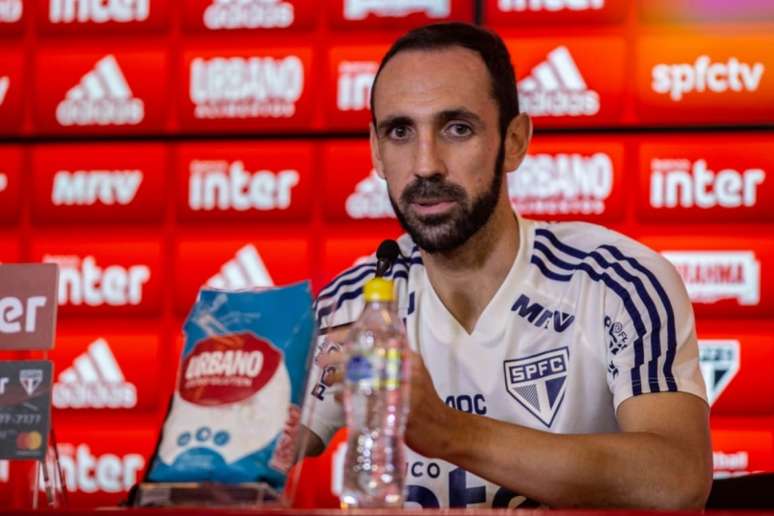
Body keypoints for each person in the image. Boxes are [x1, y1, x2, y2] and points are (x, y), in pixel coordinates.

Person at [302, 22, 712, 509]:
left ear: (515, 141)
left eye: (458, 129)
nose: (426, 164)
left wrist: (448, 431)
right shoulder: (351, 302)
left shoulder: (616, 283)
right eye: (400, 132)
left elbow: (678, 478)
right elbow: (242, 457)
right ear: (375, 150)